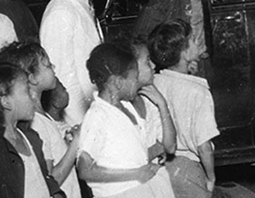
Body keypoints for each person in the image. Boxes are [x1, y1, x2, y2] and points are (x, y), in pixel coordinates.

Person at [76, 42, 174, 198]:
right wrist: (135, 174)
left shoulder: (127, 109)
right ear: (118, 82)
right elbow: (84, 169)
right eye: (134, 78)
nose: (137, 83)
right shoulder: (98, 116)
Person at [0, 61, 65, 198]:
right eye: (27, 91)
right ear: (6, 102)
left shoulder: (31, 138)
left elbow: (44, 180)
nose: (33, 97)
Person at [0, 42, 81, 198]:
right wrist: (75, 146)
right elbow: (49, 180)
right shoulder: (35, 123)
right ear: (33, 78)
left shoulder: (42, 117)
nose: (53, 68)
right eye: (48, 65)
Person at [148, 19, 219, 198]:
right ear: (185, 53)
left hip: (159, 167)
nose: (198, 43)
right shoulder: (199, 92)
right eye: (194, 40)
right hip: (189, 170)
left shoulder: (154, 82)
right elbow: (204, 147)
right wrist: (211, 177)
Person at [39, 0, 103, 125]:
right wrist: (80, 126)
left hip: (94, 109)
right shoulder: (60, 13)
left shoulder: (79, 2)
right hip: (79, 118)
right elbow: (64, 81)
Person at [128, 39, 176, 164]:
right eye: (147, 61)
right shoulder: (121, 106)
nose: (154, 65)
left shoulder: (148, 98)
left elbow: (170, 147)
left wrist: (162, 104)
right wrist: (158, 148)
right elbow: (129, 162)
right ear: (133, 68)